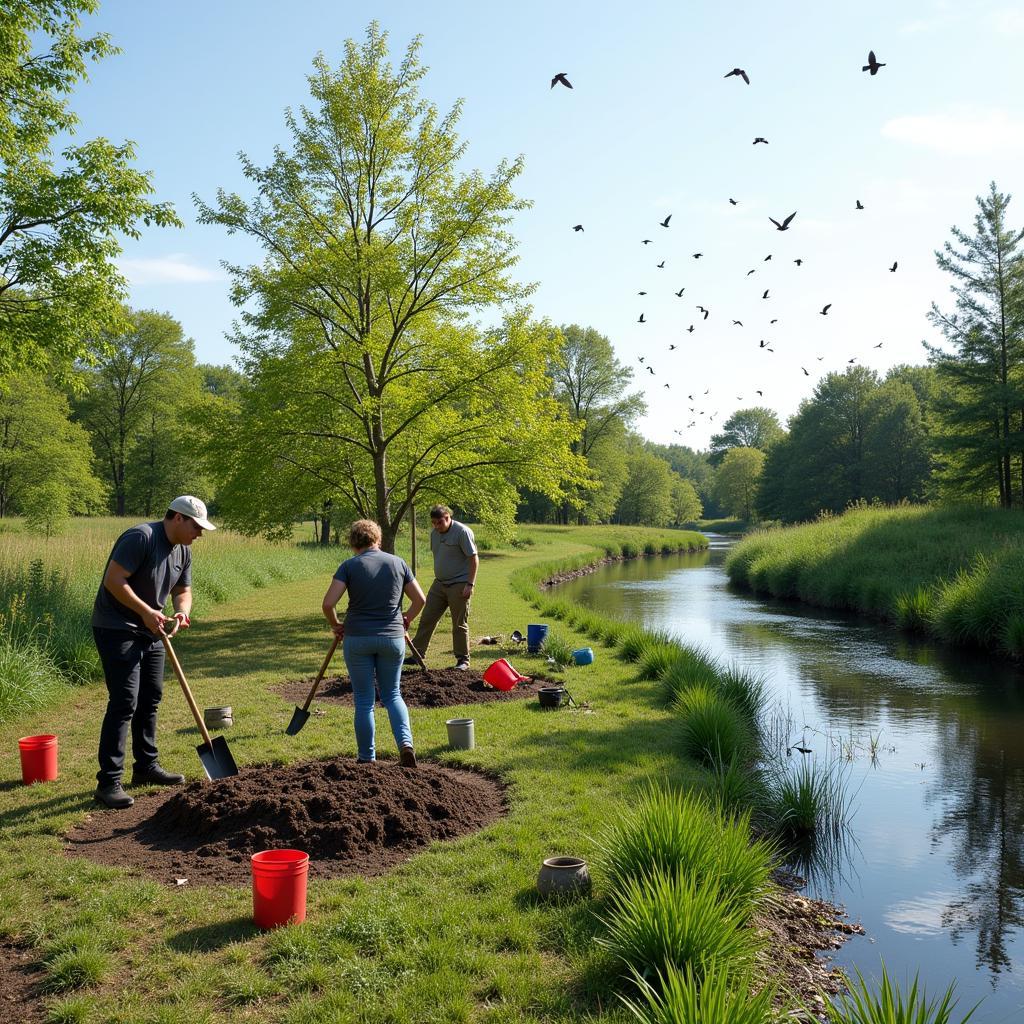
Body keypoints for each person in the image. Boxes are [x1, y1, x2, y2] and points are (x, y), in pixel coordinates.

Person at [92, 495, 216, 809]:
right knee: (124, 701)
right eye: (196, 526)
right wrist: (147, 611)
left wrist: (182, 613)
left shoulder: (183, 551)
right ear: (178, 518)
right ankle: (109, 782)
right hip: (117, 627)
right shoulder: (141, 538)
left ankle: (146, 767)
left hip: (153, 630)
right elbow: (114, 580)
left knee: (151, 696)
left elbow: (183, 590)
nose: (199, 534)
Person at [322, 519, 426, 766]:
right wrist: (407, 619)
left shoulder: (349, 566)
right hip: (392, 638)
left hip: (357, 639)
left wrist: (336, 624)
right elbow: (420, 599)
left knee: (364, 700)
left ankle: (367, 758)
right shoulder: (398, 563)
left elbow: (328, 604)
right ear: (377, 539)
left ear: (353, 542)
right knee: (392, 694)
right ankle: (405, 744)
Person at [410, 504, 479, 670]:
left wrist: (470, 584)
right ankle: (417, 654)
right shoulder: (434, 534)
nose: (437, 526)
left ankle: (463, 660)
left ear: (448, 517)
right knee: (427, 617)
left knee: (458, 623)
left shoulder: (462, 532)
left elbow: (474, 559)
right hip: (439, 583)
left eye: (440, 522)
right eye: (434, 523)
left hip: (460, 584)